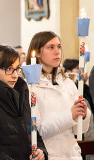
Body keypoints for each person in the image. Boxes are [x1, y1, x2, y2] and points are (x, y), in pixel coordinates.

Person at [0, 44, 47, 160]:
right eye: (8, 69)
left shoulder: (22, 93)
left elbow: (32, 129)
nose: (14, 75)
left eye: (17, 68)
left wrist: (41, 151)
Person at [26, 31, 91, 160]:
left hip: (73, 154)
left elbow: (80, 131)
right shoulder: (29, 86)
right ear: (37, 53)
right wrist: (70, 115)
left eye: (59, 46)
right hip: (49, 154)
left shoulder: (67, 83)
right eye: (51, 47)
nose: (57, 52)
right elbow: (39, 130)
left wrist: (83, 115)